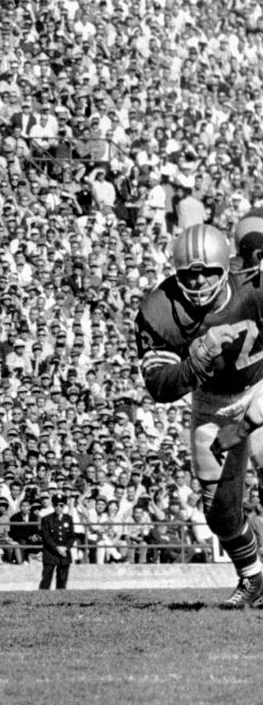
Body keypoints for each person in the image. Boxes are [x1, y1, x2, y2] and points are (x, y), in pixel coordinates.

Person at [138, 223, 263, 608]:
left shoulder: (253, 283)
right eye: (189, 273)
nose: (198, 280)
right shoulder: (160, 309)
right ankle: (253, 577)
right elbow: (160, 387)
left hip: (259, 385)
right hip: (210, 403)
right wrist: (196, 362)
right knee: (218, 511)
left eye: (207, 270)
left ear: (226, 267)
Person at [39, 494, 74, 590]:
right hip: (50, 553)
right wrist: (57, 547)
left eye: (61, 505)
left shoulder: (68, 519)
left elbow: (71, 537)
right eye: (56, 505)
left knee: (62, 580)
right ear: (53, 506)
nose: (58, 508)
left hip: (64, 553)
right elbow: (46, 537)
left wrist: (66, 548)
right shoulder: (46, 519)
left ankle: (60, 601)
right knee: (46, 579)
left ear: (65, 506)